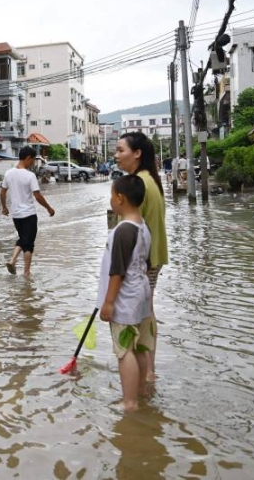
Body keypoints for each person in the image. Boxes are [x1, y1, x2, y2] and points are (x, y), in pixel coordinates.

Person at [97, 174, 154, 411]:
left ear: (120, 198)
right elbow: (146, 264)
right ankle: (139, 393)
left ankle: (129, 402)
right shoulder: (143, 227)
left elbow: (117, 271)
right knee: (140, 346)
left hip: (125, 300)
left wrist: (109, 302)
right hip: (142, 296)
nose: (110, 200)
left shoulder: (123, 231)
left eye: (112, 195)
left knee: (124, 351)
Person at [115, 132, 168, 383]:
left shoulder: (140, 185)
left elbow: (132, 233)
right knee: (147, 313)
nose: (116, 155)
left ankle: (144, 375)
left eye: (120, 150)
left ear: (137, 154)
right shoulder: (148, 181)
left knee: (141, 318)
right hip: (150, 259)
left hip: (142, 263)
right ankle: (148, 372)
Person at [0, 146, 56, 277]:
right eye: (33, 160)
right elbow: (37, 196)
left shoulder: (8, 173)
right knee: (29, 244)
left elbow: (2, 193)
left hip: (16, 215)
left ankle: (13, 261)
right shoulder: (30, 176)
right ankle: (25, 272)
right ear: (28, 158)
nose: (33, 163)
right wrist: (49, 208)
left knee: (23, 239)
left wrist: (4, 207)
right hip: (29, 214)